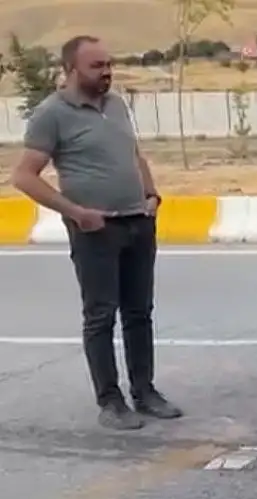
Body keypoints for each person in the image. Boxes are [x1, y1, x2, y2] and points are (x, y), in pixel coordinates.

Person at [10, 35, 182, 430]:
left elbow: (133, 155)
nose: (107, 72)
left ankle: (145, 391)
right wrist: (76, 213)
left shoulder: (117, 105)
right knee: (101, 316)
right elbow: (24, 177)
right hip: (96, 230)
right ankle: (111, 402)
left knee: (139, 313)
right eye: (97, 66)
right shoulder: (51, 114)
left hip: (138, 222)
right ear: (70, 69)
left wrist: (152, 195)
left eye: (109, 64)